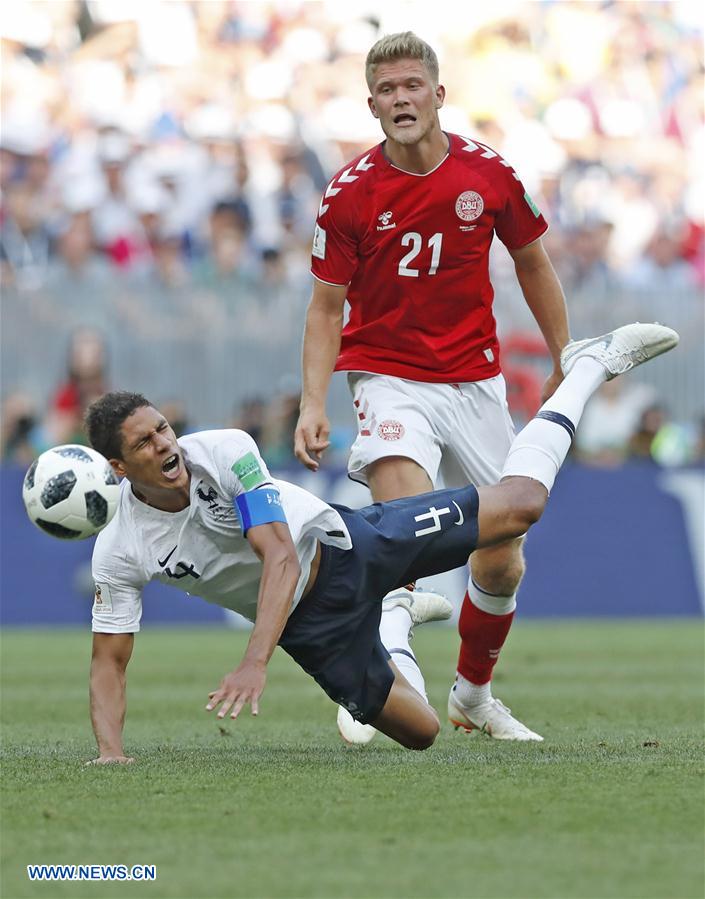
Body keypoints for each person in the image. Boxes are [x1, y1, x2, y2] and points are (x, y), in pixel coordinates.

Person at [84, 322, 677, 763]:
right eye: (145, 444)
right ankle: (397, 615)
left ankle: (588, 367)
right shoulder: (120, 549)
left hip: (349, 545)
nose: (165, 445)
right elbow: (109, 662)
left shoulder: (223, 451)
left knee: (521, 505)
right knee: (422, 732)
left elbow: (281, 557)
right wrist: (111, 753)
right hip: (311, 631)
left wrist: (253, 663)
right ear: (119, 467)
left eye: (163, 428)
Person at [294, 32, 571, 743]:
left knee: (502, 559)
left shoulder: (488, 174)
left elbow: (533, 263)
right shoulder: (349, 194)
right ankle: (379, 684)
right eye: (386, 90)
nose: (400, 99)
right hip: (388, 376)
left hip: (474, 379)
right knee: (406, 528)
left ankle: (473, 694)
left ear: (438, 94)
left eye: (411, 85)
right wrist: (312, 402)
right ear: (371, 105)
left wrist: (562, 354)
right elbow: (325, 308)